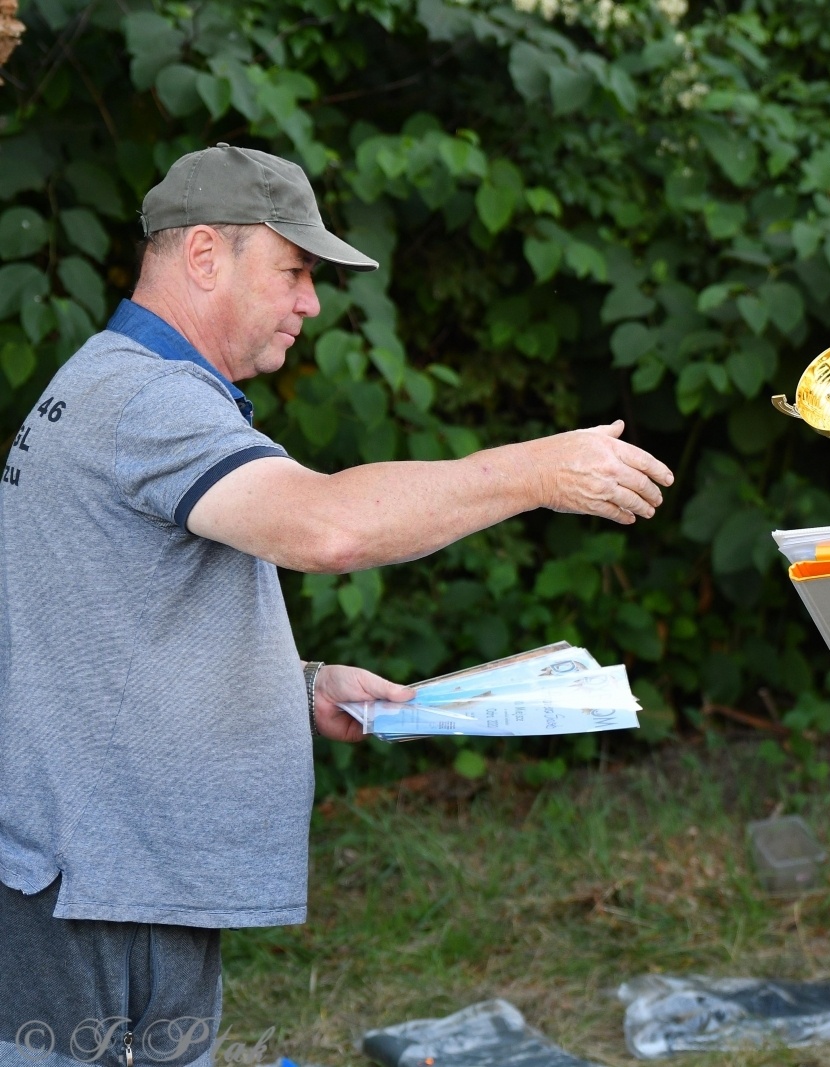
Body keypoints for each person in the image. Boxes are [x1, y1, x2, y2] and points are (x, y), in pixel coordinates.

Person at [0, 145, 673, 1065]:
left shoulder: (113, 380)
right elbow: (327, 528)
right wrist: (536, 470)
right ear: (205, 255)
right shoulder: (149, 401)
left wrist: (297, 680)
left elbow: (98, 613)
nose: (310, 302)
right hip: (86, 883)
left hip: (122, 871)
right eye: (295, 271)